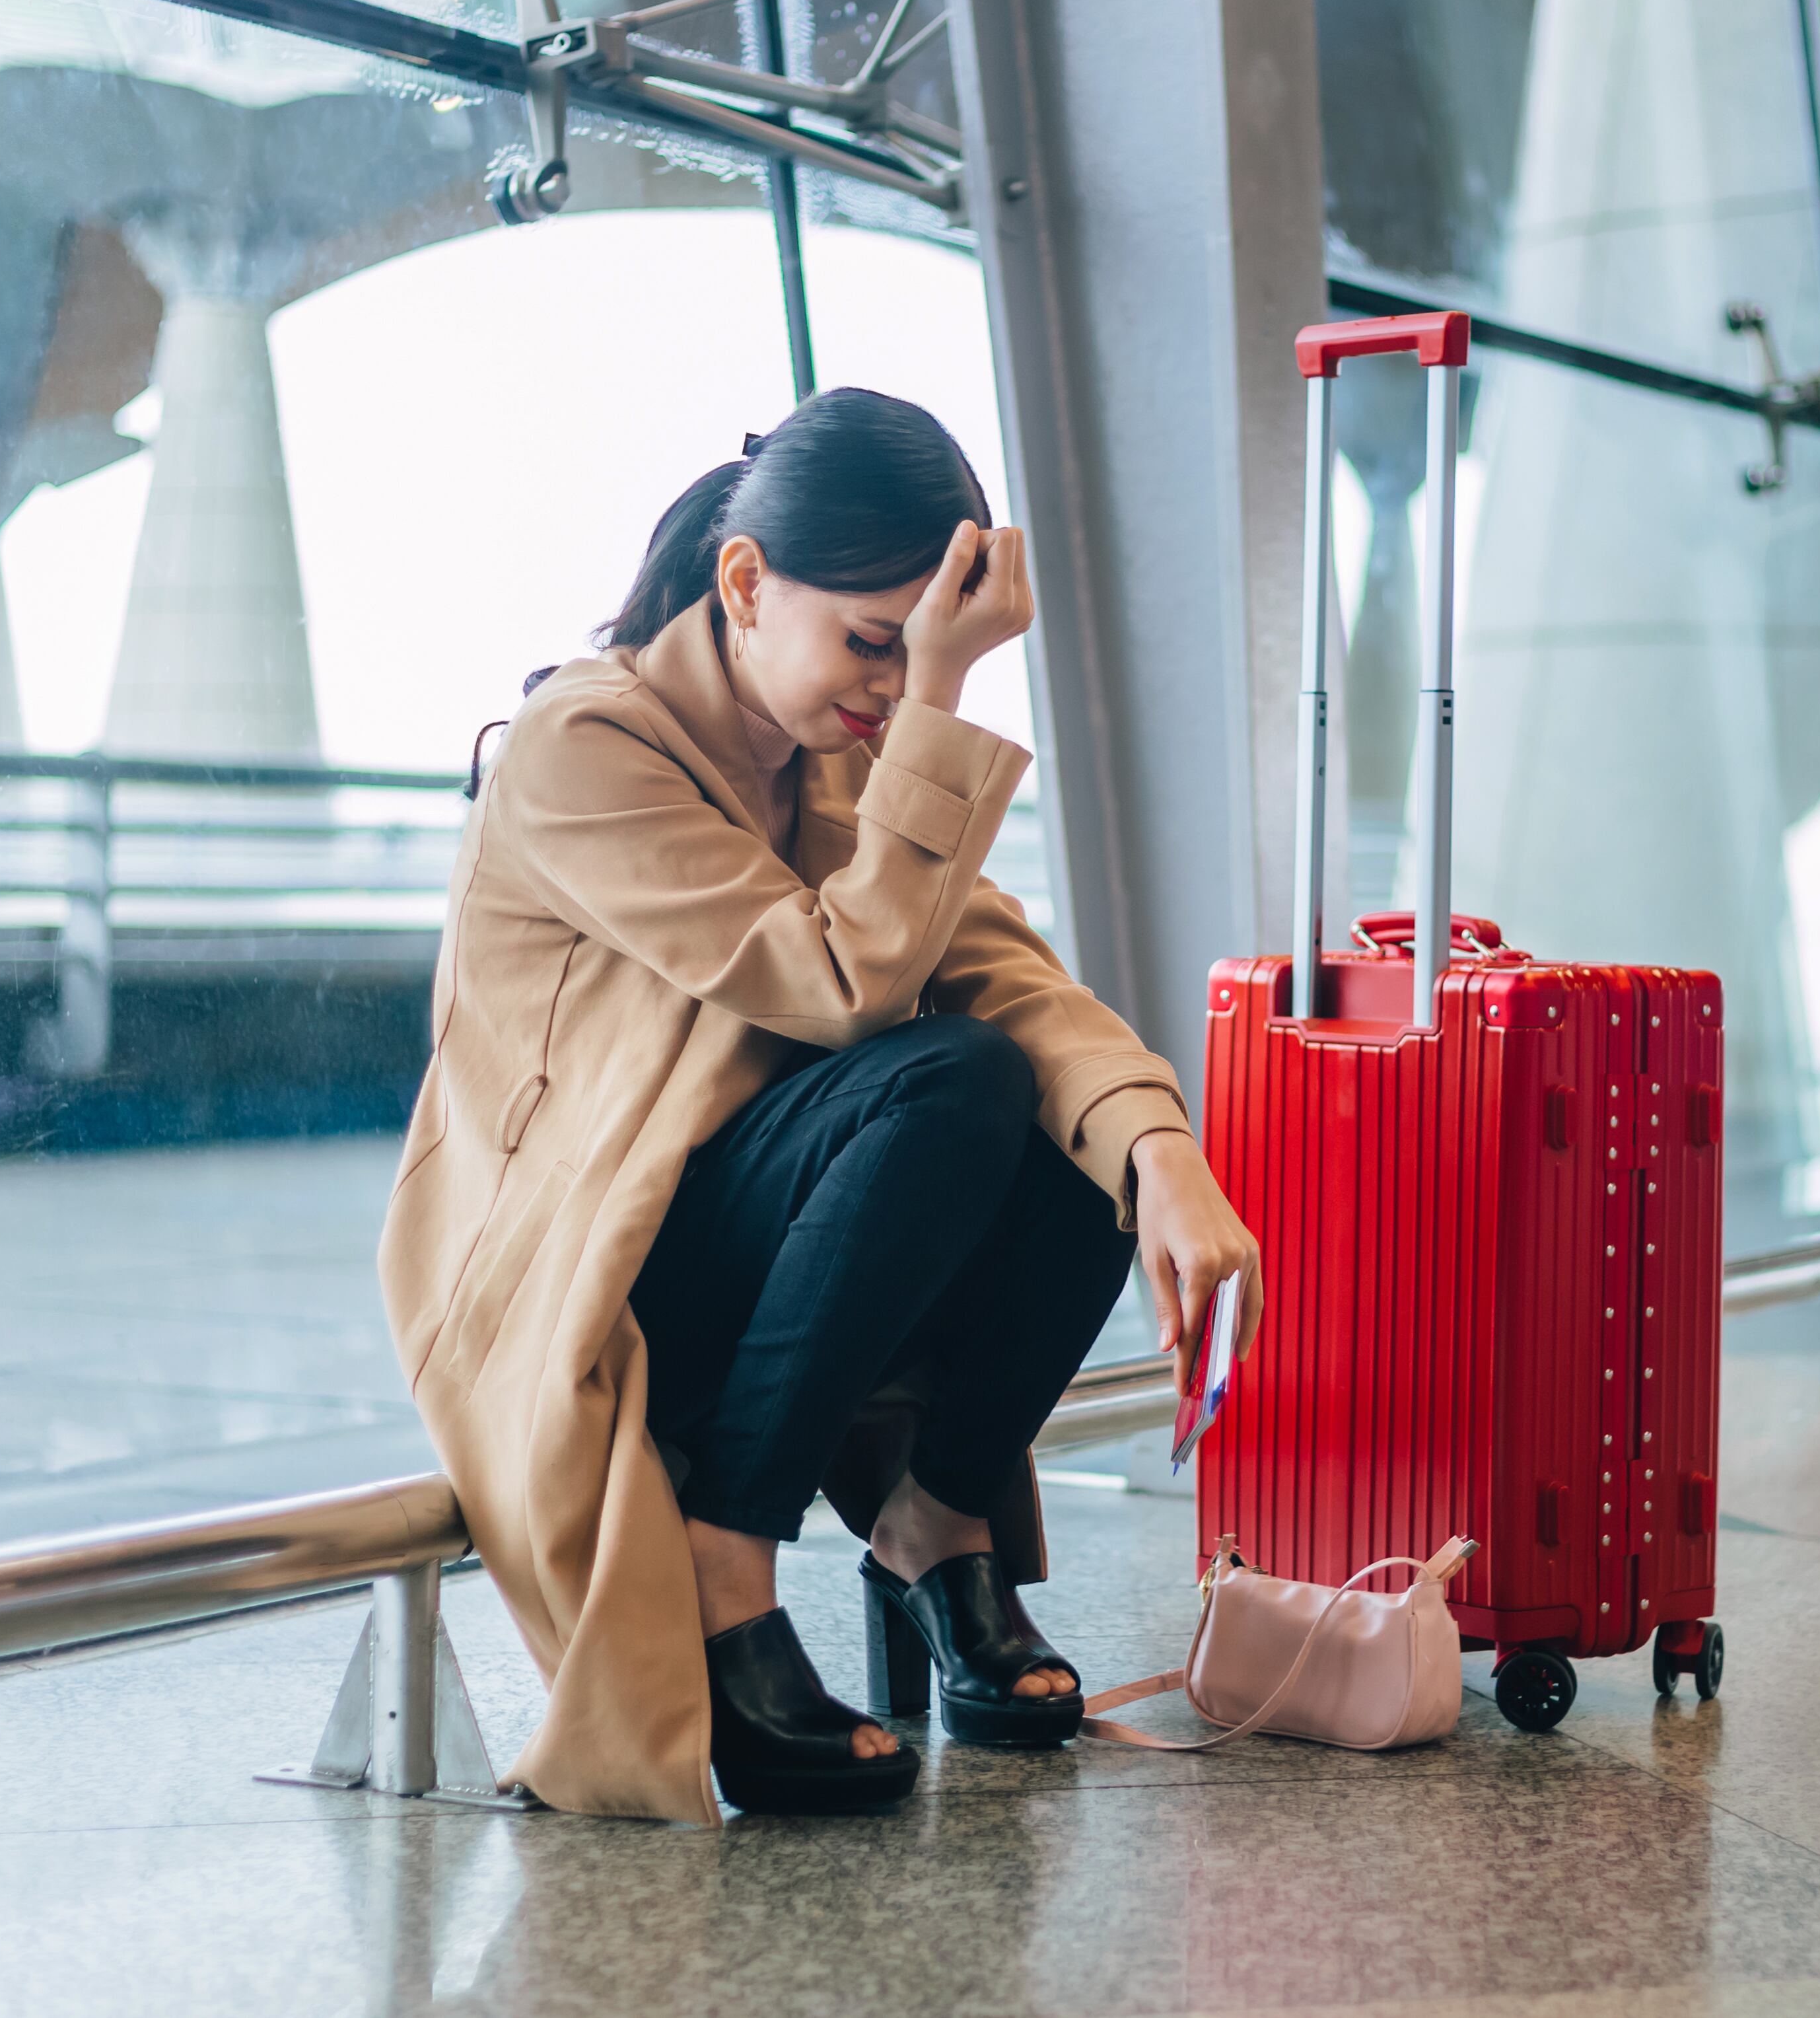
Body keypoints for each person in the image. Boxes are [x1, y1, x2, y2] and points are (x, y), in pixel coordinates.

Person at [378, 386, 1263, 1821]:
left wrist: (1165, 1152)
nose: (895, 688)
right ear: (745, 583)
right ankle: (724, 1562)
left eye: (922, 651)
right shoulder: (582, 746)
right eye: (873, 642)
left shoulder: (835, 760)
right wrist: (943, 698)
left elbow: (1008, 975)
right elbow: (844, 984)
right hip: (581, 1268)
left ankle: (936, 1522)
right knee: (956, 1077)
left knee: (1067, 1120)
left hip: (747, 1242)